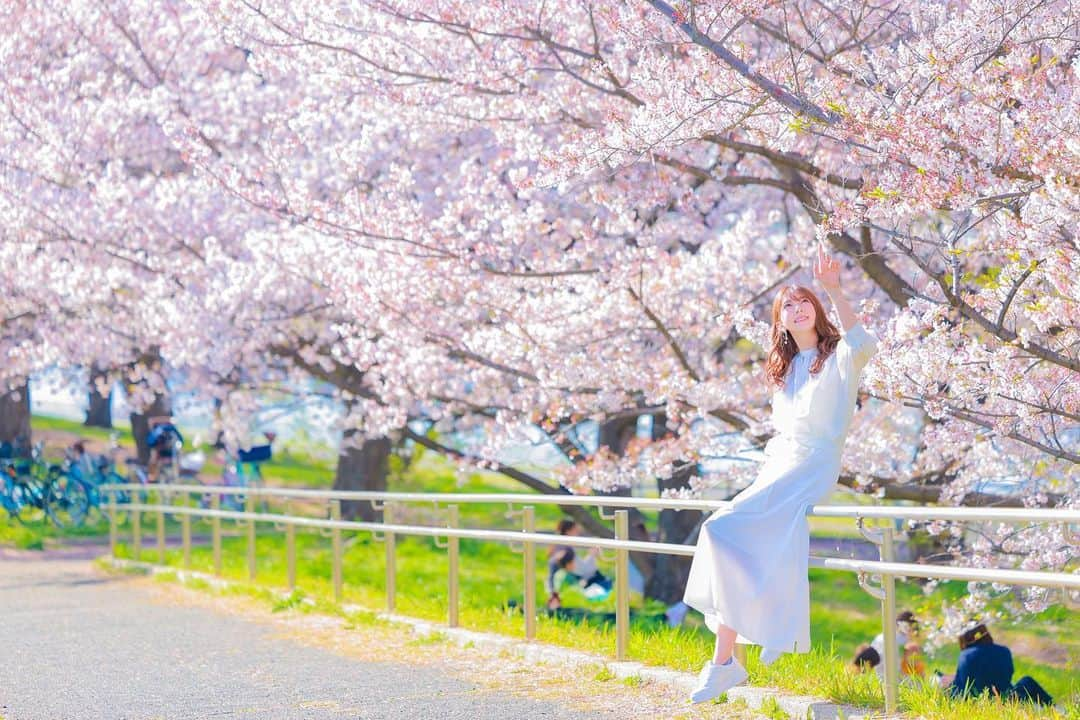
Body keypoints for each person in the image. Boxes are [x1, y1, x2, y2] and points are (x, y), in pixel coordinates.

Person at [684, 245, 878, 703]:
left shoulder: (838, 359)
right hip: (780, 464)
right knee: (725, 534)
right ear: (781, 321)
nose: (797, 308)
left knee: (729, 529)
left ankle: (726, 662)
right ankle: (727, 661)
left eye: (804, 300)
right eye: (787, 305)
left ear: (816, 310)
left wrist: (833, 289)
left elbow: (864, 344)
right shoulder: (784, 368)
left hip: (815, 464)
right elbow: (782, 433)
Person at [940, 622, 1053, 705]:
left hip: (980, 703)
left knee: (947, 687)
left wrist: (950, 684)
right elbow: (1009, 675)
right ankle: (1054, 709)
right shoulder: (1003, 650)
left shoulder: (966, 656)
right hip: (1009, 700)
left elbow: (963, 687)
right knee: (1027, 681)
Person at [545, 519, 612, 609]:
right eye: (576, 531)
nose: (578, 534)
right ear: (568, 531)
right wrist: (592, 555)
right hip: (586, 584)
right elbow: (583, 570)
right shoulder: (566, 551)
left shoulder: (559, 548)